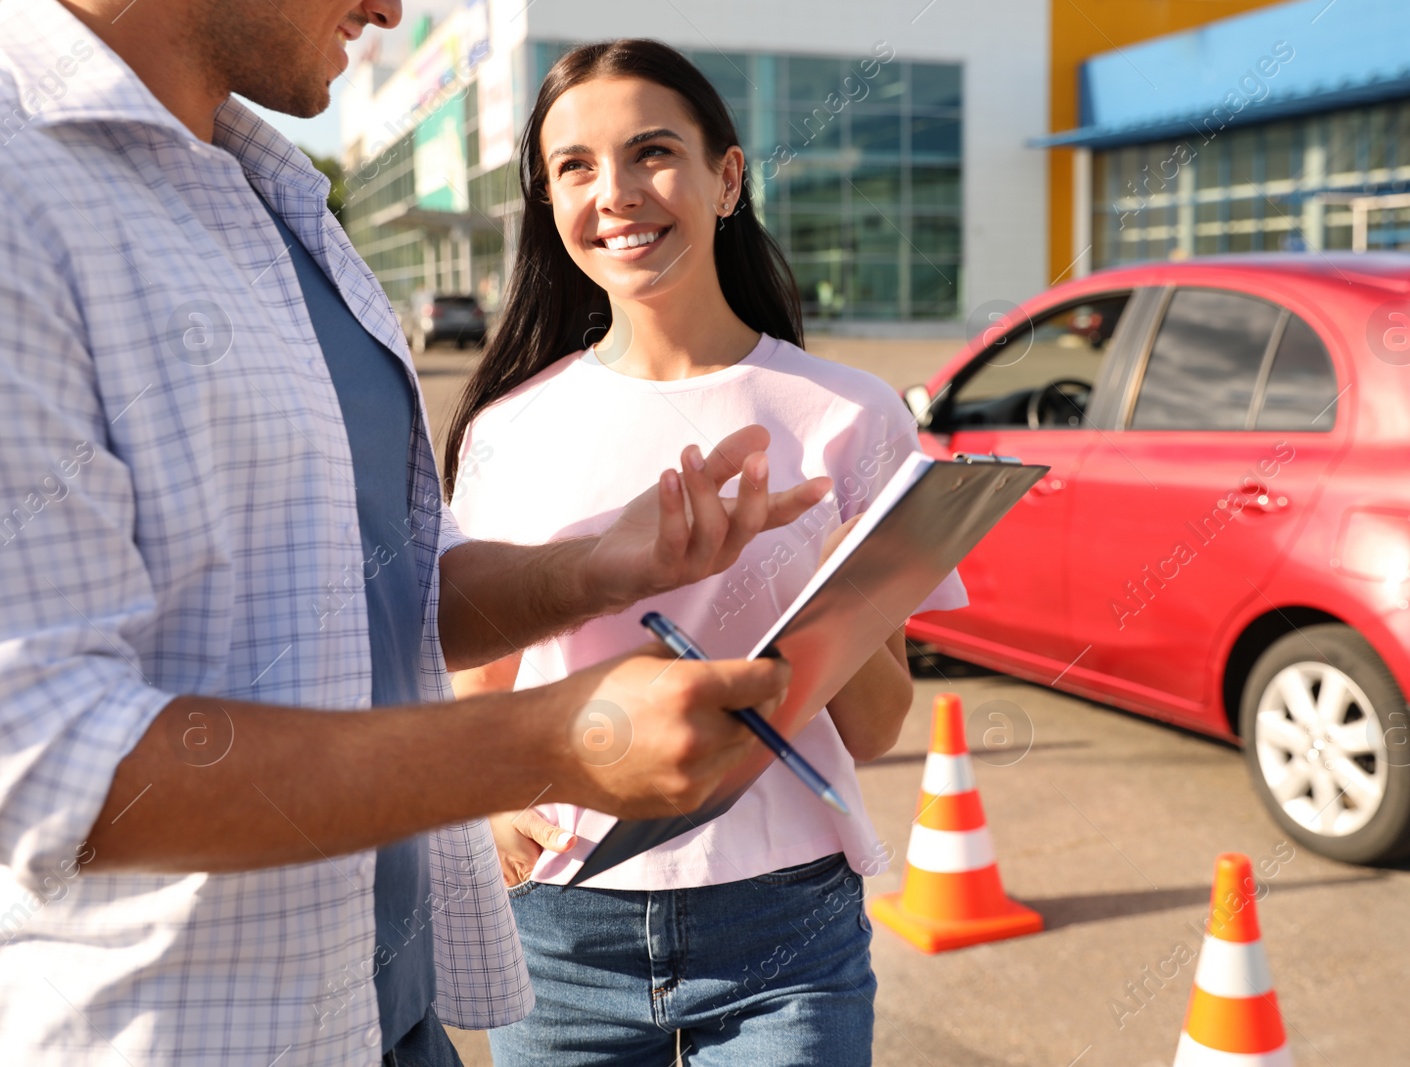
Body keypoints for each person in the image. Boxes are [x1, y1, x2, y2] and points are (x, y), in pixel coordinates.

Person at [0, 3, 833, 1064]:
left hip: (391, 1015)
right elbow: (44, 759)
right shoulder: (17, 175)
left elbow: (385, 593)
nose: (392, 10)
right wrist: (548, 742)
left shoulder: (270, 189)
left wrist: (595, 567)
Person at [444, 39, 967, 1066]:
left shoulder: (849, 415)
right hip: (561, 925)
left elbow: (874, 728)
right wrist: (497, 802)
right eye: (576, 167)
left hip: (787, 925)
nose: (618, 193)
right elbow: (476, 684)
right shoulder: (508, 427)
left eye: (652, 152)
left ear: (728, 178)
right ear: (548, 202)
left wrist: (827, 562)